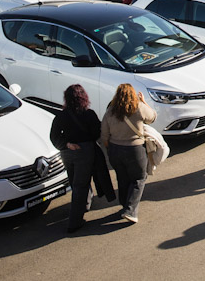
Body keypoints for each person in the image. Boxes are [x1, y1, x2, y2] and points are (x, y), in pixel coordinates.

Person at [50, 84, 106, 233]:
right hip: (85, 152)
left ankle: (85, 205)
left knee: (76, 182)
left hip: (67, 154)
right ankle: (74, 221)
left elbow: (54, 137)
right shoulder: (89, 114)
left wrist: (67, 144)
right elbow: (97, 133)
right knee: (81, 184)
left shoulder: (61, 116)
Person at [100, 83, 157, 223]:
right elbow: (152, 117)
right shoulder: (138, 108)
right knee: (139, 178)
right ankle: (130, 211)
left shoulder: (110, 111)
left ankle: (125, 206)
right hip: (135, 150)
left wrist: (110, 149)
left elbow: (104, 135)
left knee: (122, 178)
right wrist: (143, 101)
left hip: (115, 150)